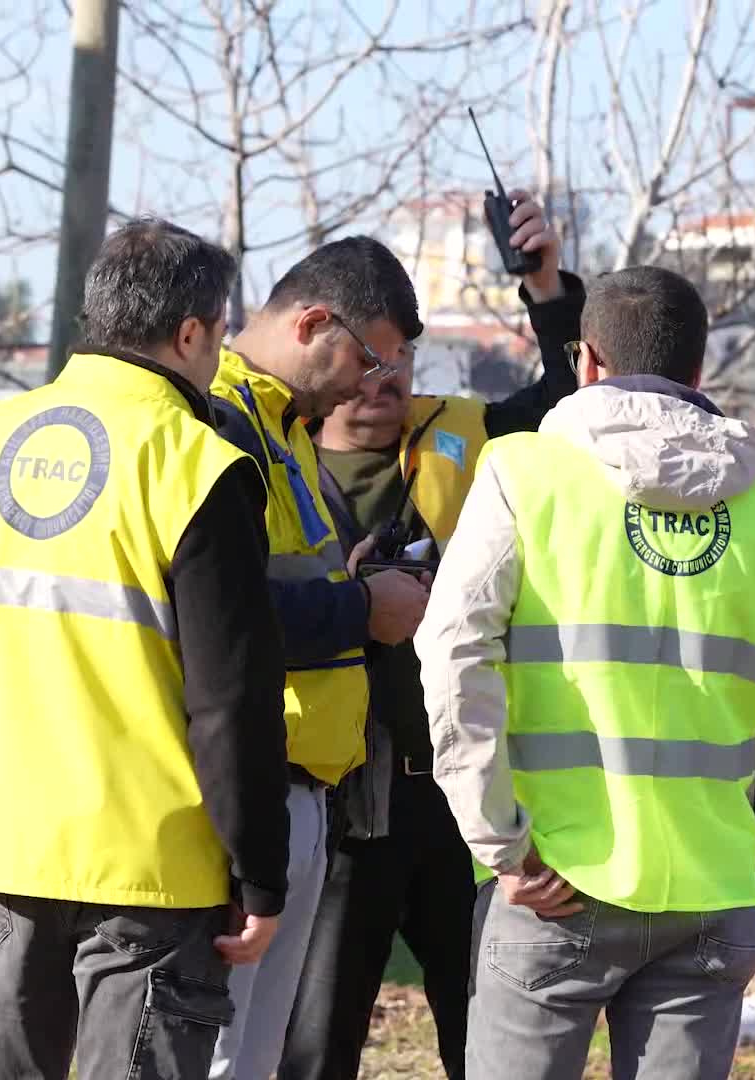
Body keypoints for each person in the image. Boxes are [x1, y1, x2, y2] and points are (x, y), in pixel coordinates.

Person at [418, 266, 755, 1080]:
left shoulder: (521, 474)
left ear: (589, 360)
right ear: (698, 371)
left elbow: (452, 651)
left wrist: (498, 842)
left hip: (554, 878)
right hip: (710, 888)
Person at [0, 218, 291, 1080]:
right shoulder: (200, 465)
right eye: (220, 330)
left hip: (11, 844)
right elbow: (232, 697)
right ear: (192, 333)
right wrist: (260, 873)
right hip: (152, 864)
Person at [280, 189, 585, 1080]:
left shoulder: (465, 432)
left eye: (403, 358)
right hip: (343, 798)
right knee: (318, 1035)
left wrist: (544, 282)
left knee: (485, 1029)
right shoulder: (269, 449)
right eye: (373, 359)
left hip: (458, 792)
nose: (388, 378)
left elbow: (571, 395)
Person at [205, 236, 432, 1080]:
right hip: (249, 785)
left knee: (252, 1062)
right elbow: (220, 617)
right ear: (311, 325)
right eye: (370, 359)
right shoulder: (221, 425)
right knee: (218, 1055)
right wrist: (363, 609)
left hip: (304, 788)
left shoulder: (281, 429)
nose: (374, 386)